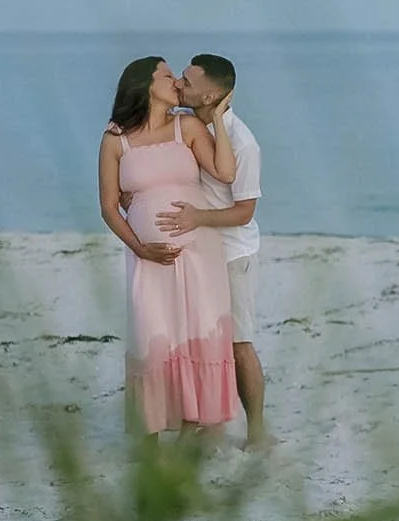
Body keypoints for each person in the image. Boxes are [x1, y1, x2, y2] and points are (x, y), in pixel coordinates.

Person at [97, 56, 238, 437]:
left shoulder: (187, 126)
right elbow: (109, 207)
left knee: (195, 332)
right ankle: (150, 432)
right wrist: (141, 248)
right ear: (145, 85)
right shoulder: (115, 139)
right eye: (166, 75)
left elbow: (225, 172)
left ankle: (194, 427)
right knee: (153, 337)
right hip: (147, 259)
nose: (175, 80)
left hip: (199, 254)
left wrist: (220, 118)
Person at [156, 53, 272, 448]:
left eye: (188, 82)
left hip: (232, 255)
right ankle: (203, 423)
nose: (179, 85)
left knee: (238, 344)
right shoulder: (183, 127)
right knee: (196, 342)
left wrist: (198, 218)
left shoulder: (242, 143)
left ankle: (257, 431)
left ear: (212, 95)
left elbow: (245, 212)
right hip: (194, 252)